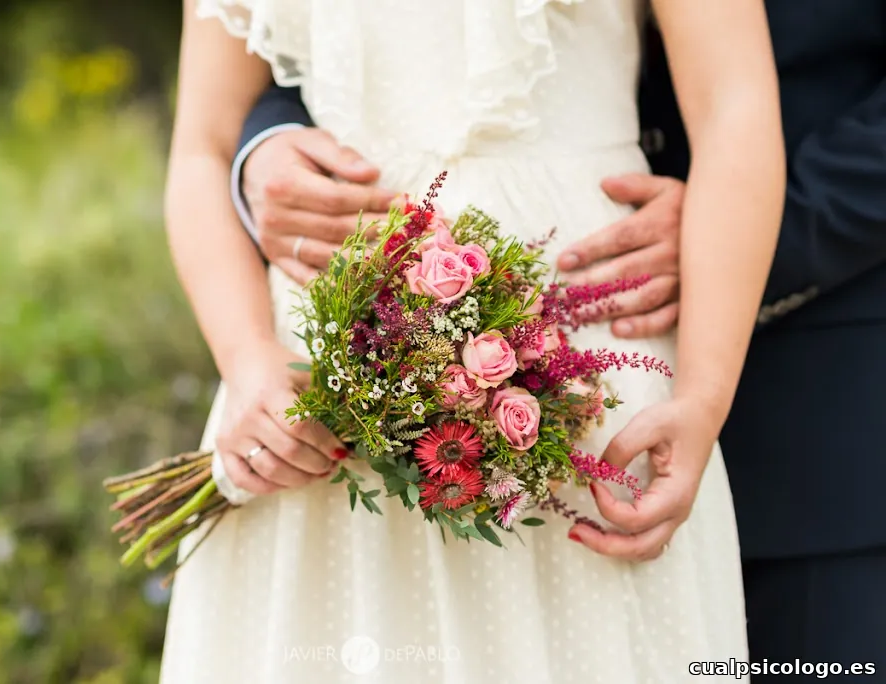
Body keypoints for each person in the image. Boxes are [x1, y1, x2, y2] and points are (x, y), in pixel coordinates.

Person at [230, 3, 886, 680]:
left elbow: (734, 106)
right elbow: (276, 76)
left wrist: (720, 276)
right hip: (342, 348)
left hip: (778, 401)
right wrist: (259, 154)